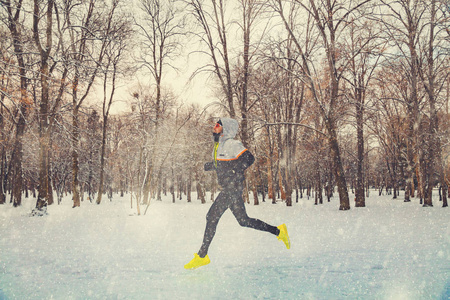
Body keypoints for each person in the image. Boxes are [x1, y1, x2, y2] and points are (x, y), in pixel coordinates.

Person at [184, 118, 290, 270]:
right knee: (244, 221)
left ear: (225, 128)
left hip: (232, 188)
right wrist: (212, 166)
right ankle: (279, 231)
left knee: (211, 216)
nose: (214, 127)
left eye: (218, 125)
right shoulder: (219, 146)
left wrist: (235, 171)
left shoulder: (233, 144)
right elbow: (226, 163)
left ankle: (202, 256)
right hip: (230, 188)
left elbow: (249, 158)